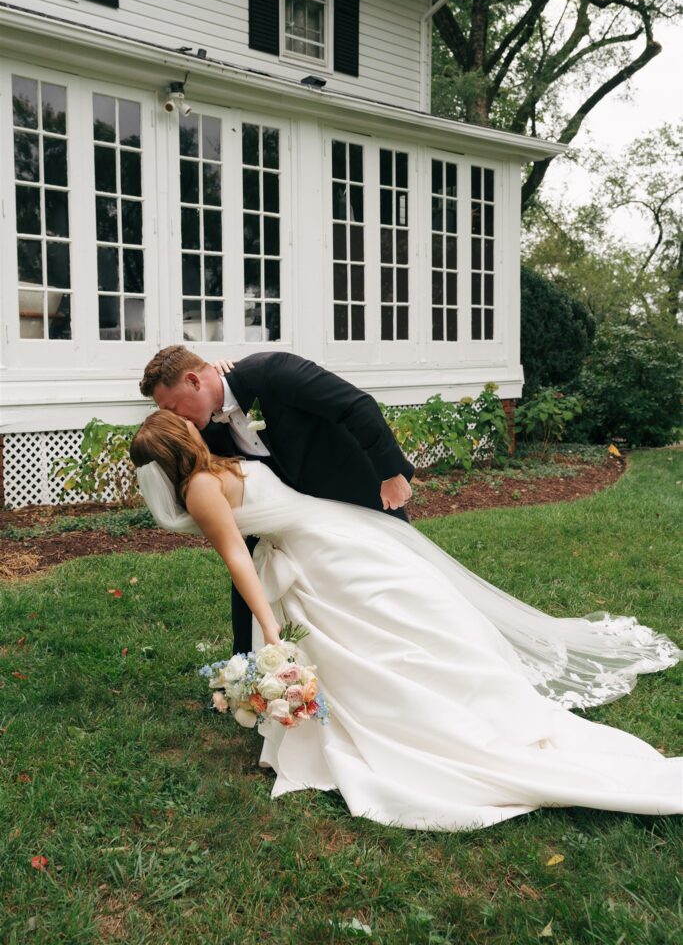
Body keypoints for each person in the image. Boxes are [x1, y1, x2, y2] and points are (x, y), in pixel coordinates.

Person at [130, 410, 682, 832]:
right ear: (184, 443)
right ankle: (466, 702)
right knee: (390, 621)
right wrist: (269, 626)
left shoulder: (206, 479)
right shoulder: (213, 476)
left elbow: (238, 553)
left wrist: (270, 632)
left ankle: (459, 711)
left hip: (324, 546)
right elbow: (242, 550)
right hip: (325, 542)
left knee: (399, 618)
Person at [139, 346, 414, 655]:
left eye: (174, 408)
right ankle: (248, 661)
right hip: (287, 517)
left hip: (352, 486)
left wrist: (390, 473)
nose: (176, 419)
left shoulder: (272, 371)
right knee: (256, 567)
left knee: (397, 576)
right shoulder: (204, 428)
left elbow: (354, 405)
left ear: (194, 381)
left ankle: (408, 643)